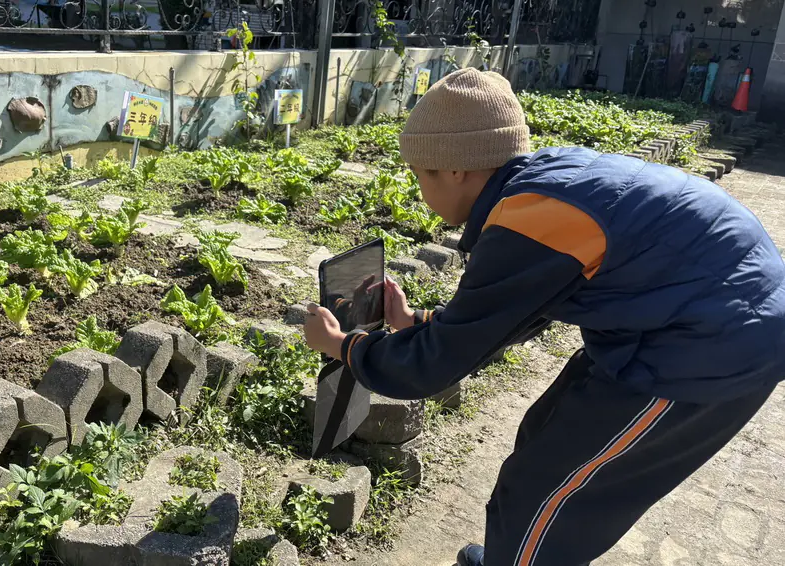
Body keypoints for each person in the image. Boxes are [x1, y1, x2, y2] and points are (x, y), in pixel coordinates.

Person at [303, 67, 785, 566]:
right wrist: (415, 322)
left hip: (714, 343)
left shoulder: (530, 219)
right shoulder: (546, 184)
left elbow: (432, 368)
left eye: (421, 174)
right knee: (545, 432)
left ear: (454, 170)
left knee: (547, 493)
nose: (421, 191)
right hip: (679, 315)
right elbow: (511, 315)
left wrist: (342, 346)